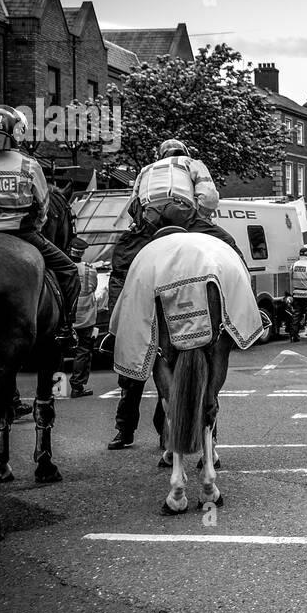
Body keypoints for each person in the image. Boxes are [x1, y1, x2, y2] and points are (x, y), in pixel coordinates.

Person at [106, 138, 242, 451]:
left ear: (160, 155)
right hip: (182, 212)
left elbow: (132, 207)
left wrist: (144, 224)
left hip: (150, 217)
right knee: (230, 248)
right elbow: (209, 196)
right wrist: (201, 216)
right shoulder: (191, 164)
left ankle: (117, 319)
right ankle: (241, 311)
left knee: (123, 261)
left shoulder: (145, 170)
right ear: (184, 154)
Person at [0, 104, 78, 350]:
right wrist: (35, 223)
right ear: (17, 133)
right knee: (69, 271)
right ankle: (66, 329)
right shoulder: (29, 164)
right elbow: (43, 206)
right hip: (22, 234)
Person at [68, 240, 100, 398]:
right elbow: (93, 287)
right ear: (81, 252)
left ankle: (55, 389)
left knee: (57, 353)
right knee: (83, 351)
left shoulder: (60, 267)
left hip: (64, 318)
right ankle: (77, 387)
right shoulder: (90, 269)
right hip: (85, 318)